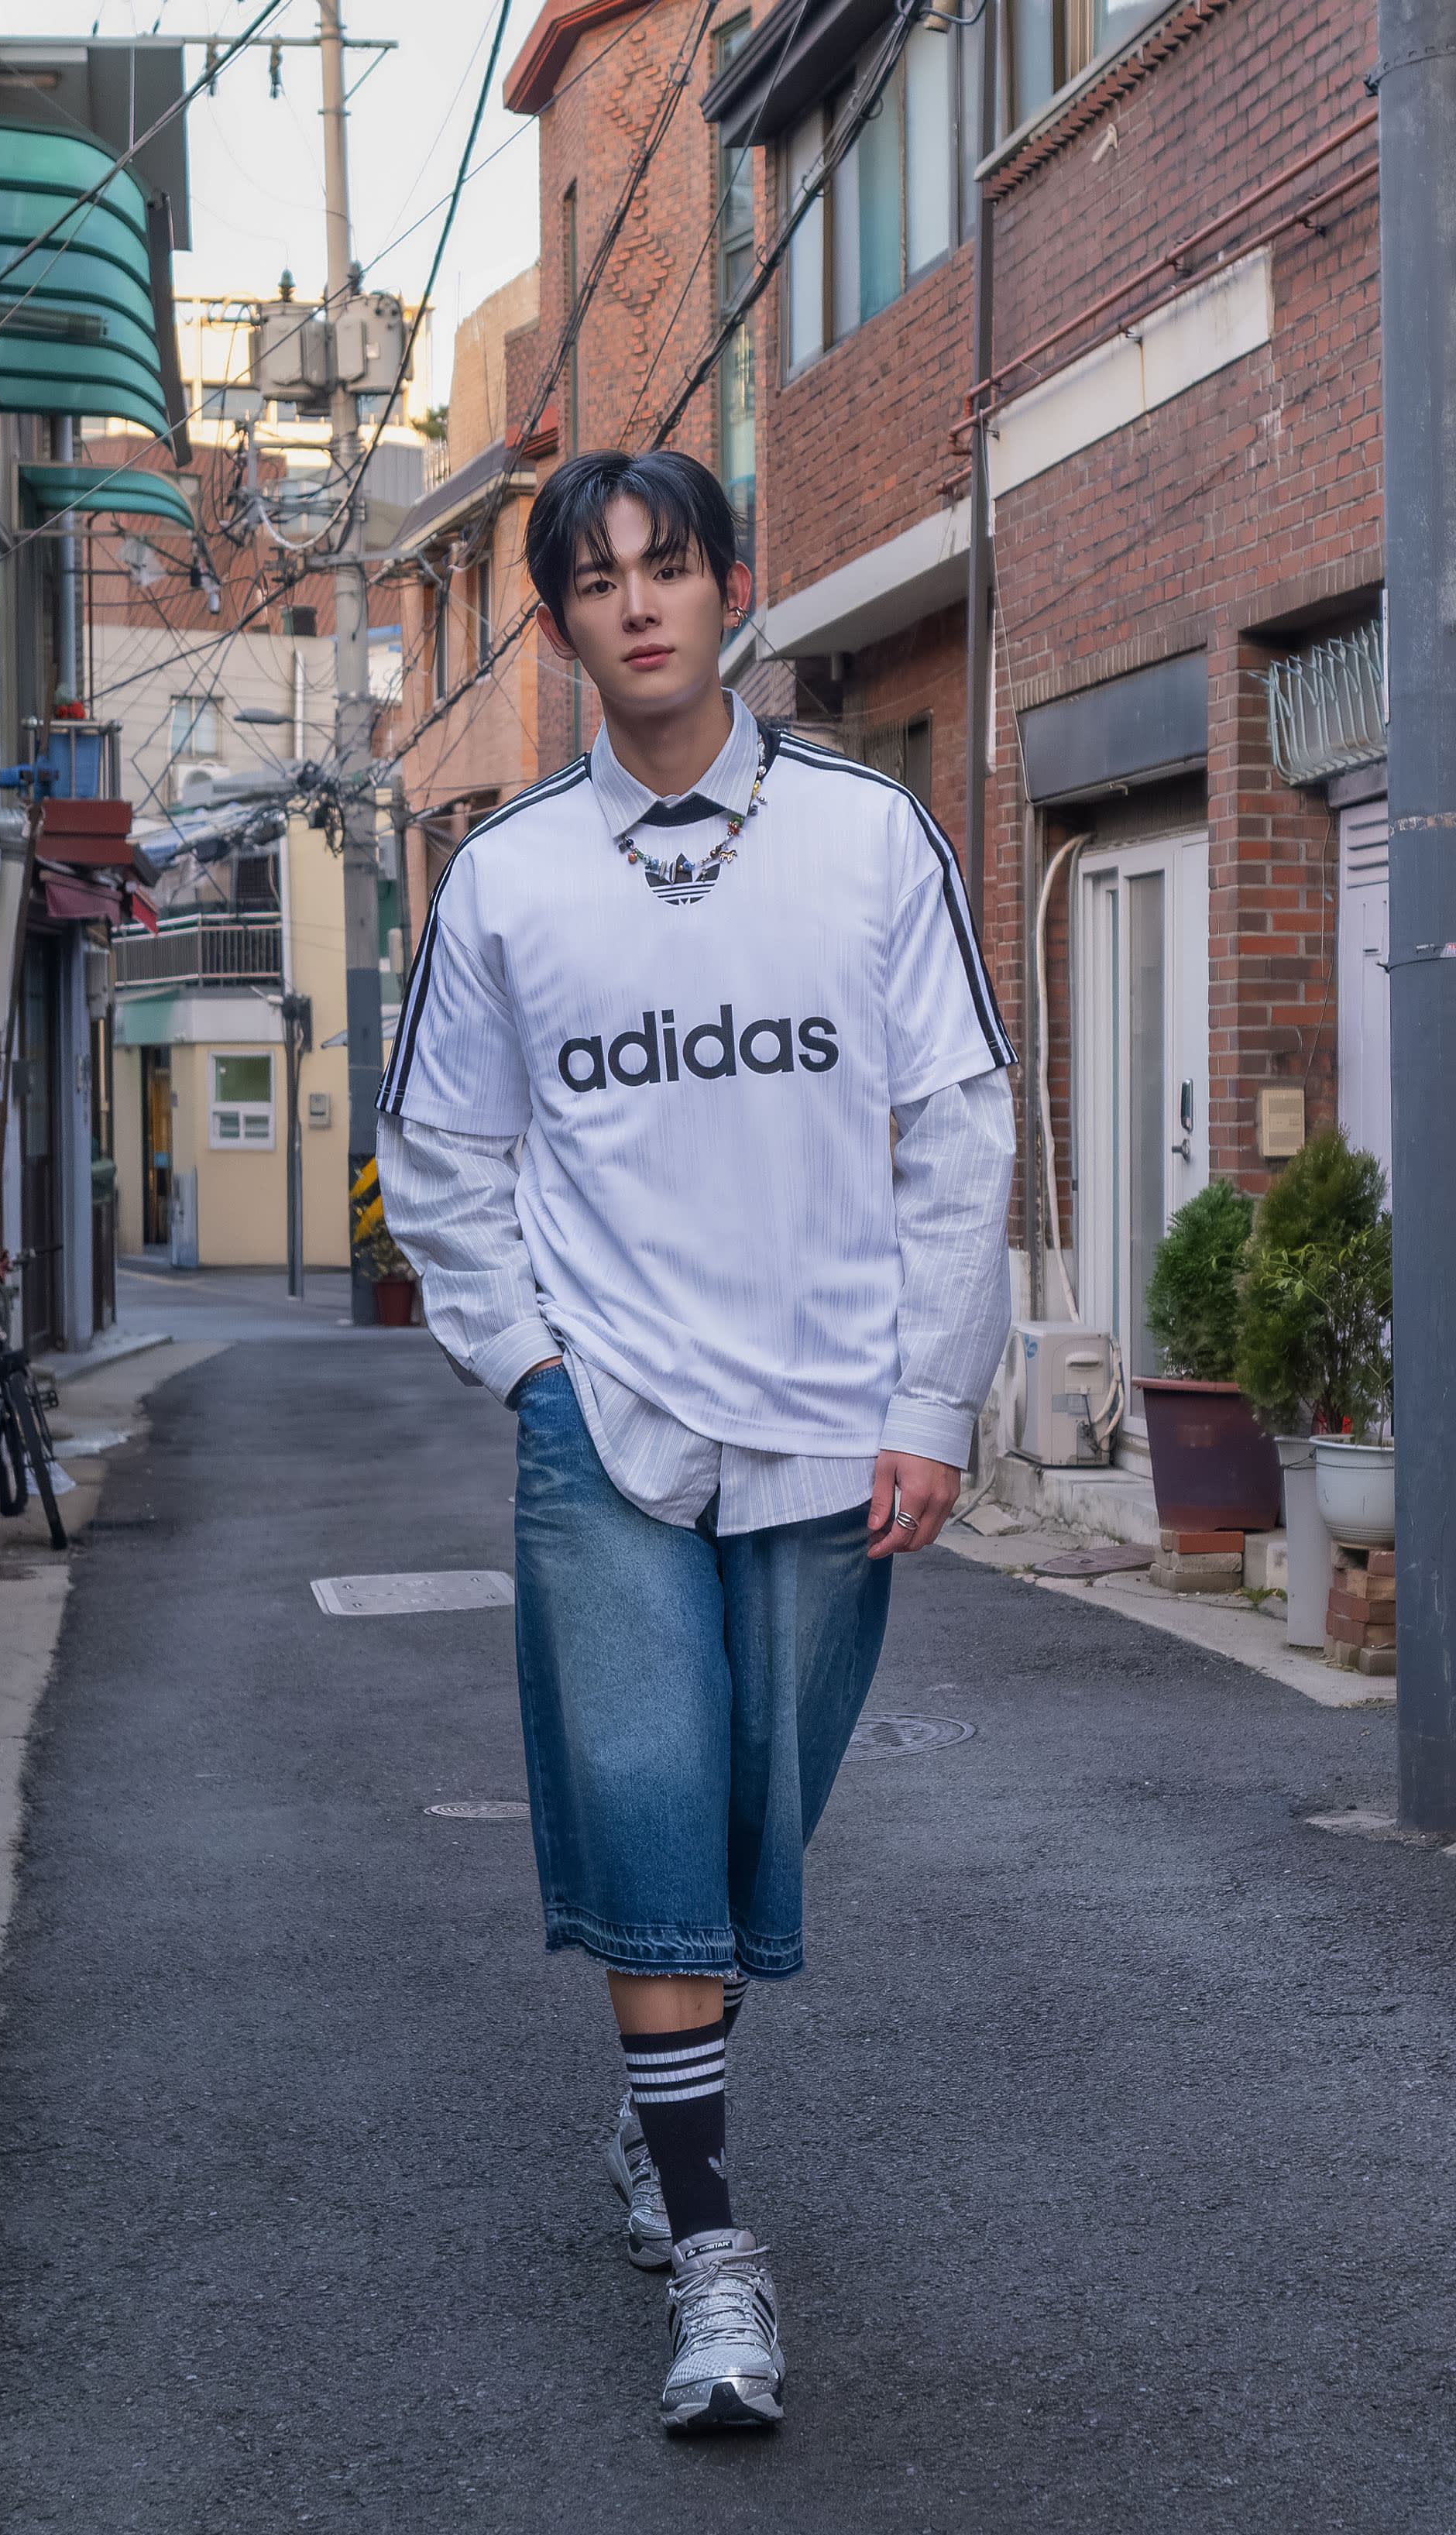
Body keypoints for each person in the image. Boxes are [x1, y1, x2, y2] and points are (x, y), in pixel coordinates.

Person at [376, 447, 1015, 2434]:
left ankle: (659, 2119)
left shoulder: (869, 838)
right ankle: (717, 2253)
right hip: (610, 1427)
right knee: (650, 1798)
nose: (636, 604)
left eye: (668, 567)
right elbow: (441, 1153)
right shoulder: (507, 878)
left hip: (837, 1424)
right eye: (596, 580)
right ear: (559, 623)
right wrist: (531, 1368)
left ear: (734, 586)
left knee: (750, 1825)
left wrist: (931, 1399)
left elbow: (964, 1123)